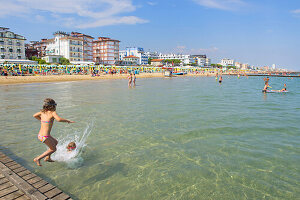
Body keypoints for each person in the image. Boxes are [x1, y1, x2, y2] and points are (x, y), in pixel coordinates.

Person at [33, 98, 74, 166]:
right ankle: (38, 158)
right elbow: (58, 119)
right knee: (53, 149)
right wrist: (67, 121)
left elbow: (34, 115)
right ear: (53, 106)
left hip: (41, 135)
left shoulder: (42, 112)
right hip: (45, 136)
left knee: (55, 142)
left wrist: (42, 120)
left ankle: (48, 157)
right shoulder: (52, 113)